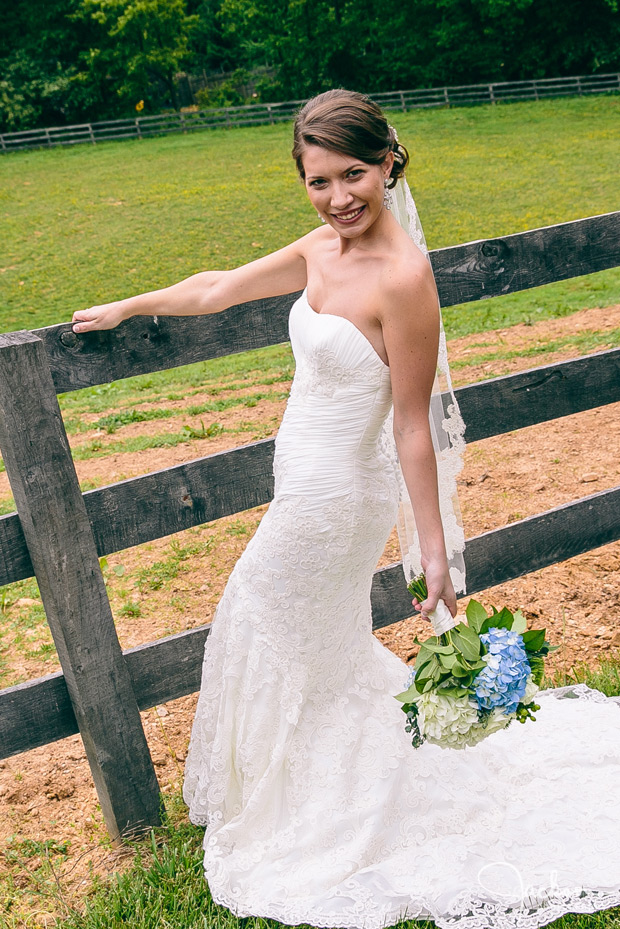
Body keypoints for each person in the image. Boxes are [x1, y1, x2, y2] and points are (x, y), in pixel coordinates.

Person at [72, 90, 620, 929]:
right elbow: (221, 285)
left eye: (353, 174)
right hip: (301, 482)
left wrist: (433, 550)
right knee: (315, 648)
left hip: (336, 503)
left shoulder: (404, 280)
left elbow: (413, 425)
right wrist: (129, 304)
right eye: (318, 180)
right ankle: (315, 783)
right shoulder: (323, 249)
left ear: (389, 162)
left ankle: (315, 802)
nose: (337, 198)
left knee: (257, 614)